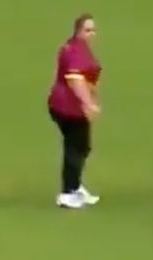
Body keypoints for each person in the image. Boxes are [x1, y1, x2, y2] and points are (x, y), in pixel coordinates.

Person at [47, 13, 102, 209]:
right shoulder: (77, 51)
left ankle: (75, 187)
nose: (92, 33)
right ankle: (67, 193)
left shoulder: (74, 47)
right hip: (69, 108)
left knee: (81, 146)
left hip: (66, 105)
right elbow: (75, 80)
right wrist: (88, 103)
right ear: (78, 31)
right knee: (75, 148)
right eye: (87, 30)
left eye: (93, 30)